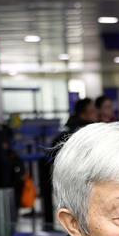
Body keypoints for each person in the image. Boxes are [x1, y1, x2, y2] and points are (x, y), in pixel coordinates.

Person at [39, 98, 98, 229]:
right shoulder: (80, 135)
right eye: (93, 110)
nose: (96, 113)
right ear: (84, 113)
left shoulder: (72, 133)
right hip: (78, 188)